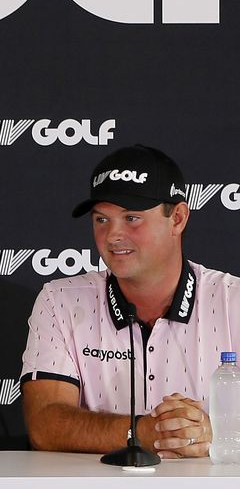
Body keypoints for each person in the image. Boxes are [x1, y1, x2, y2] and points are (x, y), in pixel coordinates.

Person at [20, 145, 239, 457]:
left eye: (132, 218)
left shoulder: (234, 300)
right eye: (101, 220)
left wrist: (211, 433)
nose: (112, 236)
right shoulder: (61, 301)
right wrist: (142, 431)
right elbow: (45, 424)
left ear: (177, 219)